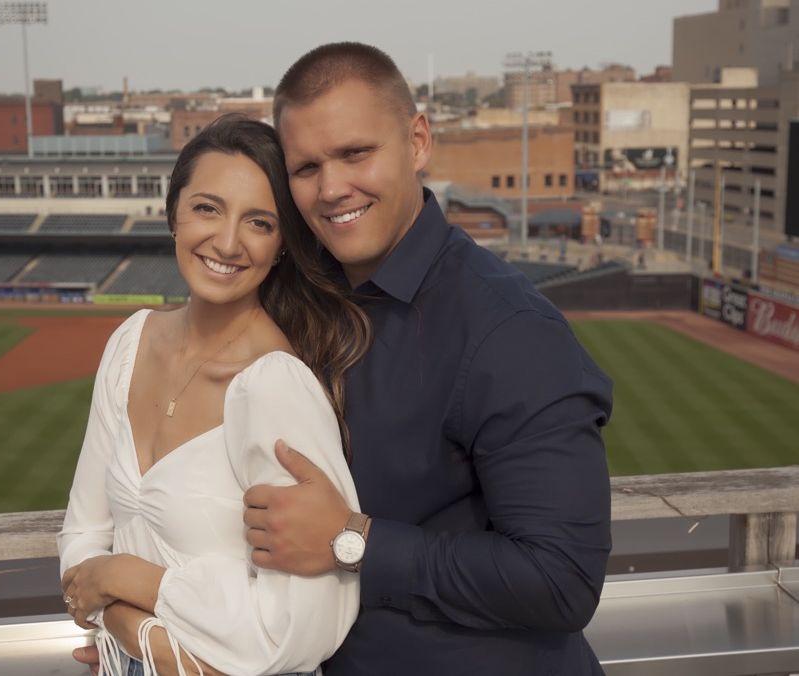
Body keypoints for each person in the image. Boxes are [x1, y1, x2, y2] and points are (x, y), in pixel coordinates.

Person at [236, 43, 614, 675]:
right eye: (306, 168)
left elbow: (563, 579)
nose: (332, 188)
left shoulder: (509, 329)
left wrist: (352, 540)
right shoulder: (300, 299)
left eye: (356, 153)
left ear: (417, 143)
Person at [58, 115, 371, 675]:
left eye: (259, 222)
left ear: (281, 245)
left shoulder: (275, 386)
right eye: (207, 208)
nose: (227, 242)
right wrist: (121, 618)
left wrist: (124, 589)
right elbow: (83, 536)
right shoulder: (131, 343)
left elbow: (300, 628)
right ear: (173, 214)